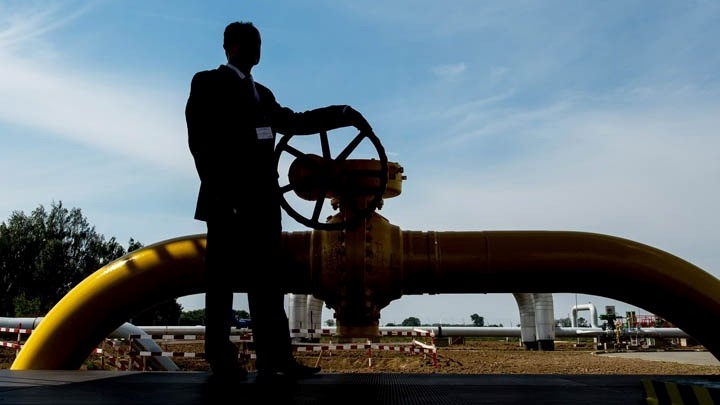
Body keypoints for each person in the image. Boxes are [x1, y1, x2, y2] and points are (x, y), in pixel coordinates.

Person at [185, 21, 373, 379]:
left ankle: (275, 359)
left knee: (268, 283)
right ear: (230, 48)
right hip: (227, 203)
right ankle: (221, 359)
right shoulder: (207, 83)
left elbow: (295, 122)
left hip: (263, 204)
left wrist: (342, 113)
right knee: (221, 281)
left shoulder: (263, 95)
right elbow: (200, 144)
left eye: (258, 43)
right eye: (249, 43)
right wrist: (225, 194)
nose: (256, 49)